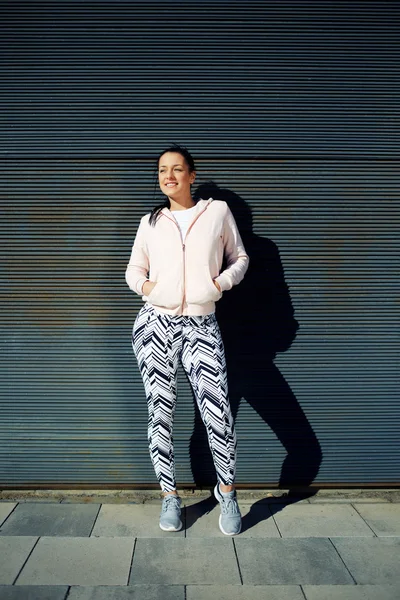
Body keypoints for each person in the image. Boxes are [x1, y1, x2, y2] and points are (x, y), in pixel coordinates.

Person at [125, 144, 249, 535]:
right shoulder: (151, 221)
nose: (169, 176)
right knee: (160, 415)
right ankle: (169, 497)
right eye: (163, 170)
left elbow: (240, 258)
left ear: (192, 175)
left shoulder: (216, 212)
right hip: (155, 325)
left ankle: (227, 493)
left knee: (218, 414)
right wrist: (148, 286)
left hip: (201, 325)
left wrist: (219, 283)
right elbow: (133, 268)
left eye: (177, 169)